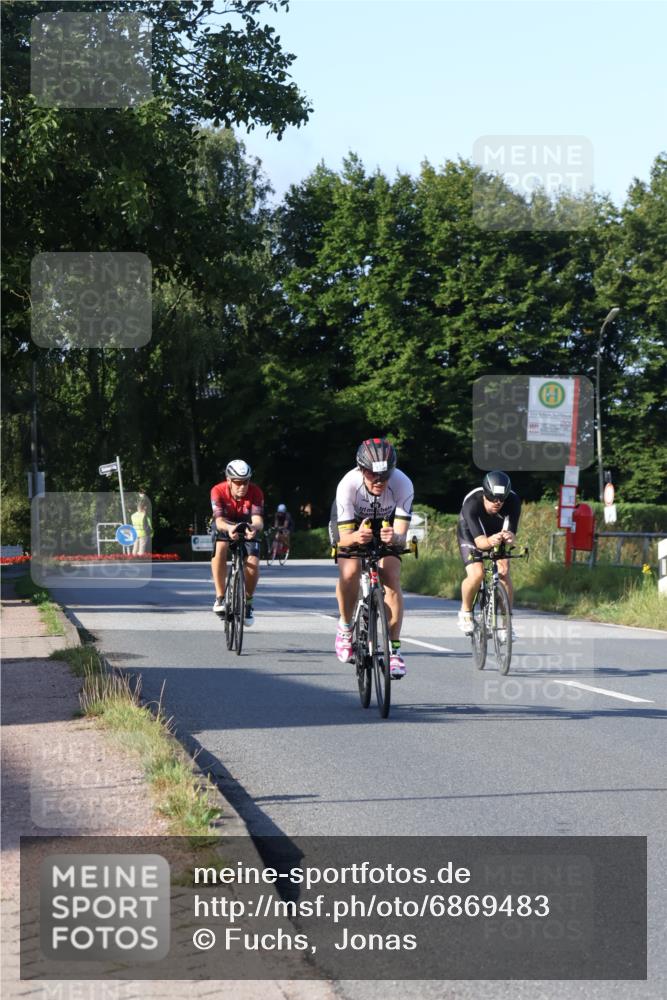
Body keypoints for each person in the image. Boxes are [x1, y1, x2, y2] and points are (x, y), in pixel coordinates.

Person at [330, 437, 414, 679]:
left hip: (386, 525)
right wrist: (356, 536)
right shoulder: (348, 484)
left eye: (385, 475)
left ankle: (394, 650)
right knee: (350, 572)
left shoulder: (403, 483)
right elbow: (343, 540)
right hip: (351, 526)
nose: (378, 481)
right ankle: (346, 628)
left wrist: (395, 539)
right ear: (361, 469)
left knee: (391, 576)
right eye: (371, 474)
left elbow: (401, 536)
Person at [456, 470, 521, 636]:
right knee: (476, 574)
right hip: (471, 534)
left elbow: (512, 535)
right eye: (492, 498)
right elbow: (481, 543)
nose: (497, 503)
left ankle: (507, 625)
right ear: (485, 494)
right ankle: (465, 612)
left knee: (504, 571)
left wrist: (507, 537)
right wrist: (490, 541)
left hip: (496, 531)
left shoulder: (513, 501)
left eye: (501, 499)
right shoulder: (472, 503)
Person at [210, 460, 264, 625]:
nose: (242, 486)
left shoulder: (255, 492)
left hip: (246, 525)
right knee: (221, 546)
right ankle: (220, 597)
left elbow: (258, 521)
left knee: (253, 561)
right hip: (225, 523)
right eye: (238, 482)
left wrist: (253, 528)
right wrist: (228, 528)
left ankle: (247, 603)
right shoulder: (218, 490)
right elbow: (218, 521)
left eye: (246, 481)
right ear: (229, 480)